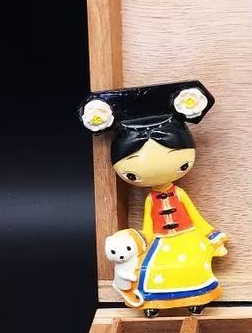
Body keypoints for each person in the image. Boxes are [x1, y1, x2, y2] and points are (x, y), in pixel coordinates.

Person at [78, 80, 228, 313]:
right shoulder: (151, 200)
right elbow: (148, 225)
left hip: (186, 237)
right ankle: (154, 301)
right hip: (162, 240)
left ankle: (197, 297)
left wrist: (209, 233)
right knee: (155, 267)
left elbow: (195, 216)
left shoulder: (179, 194)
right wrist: (145, 242)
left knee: (195, 263)